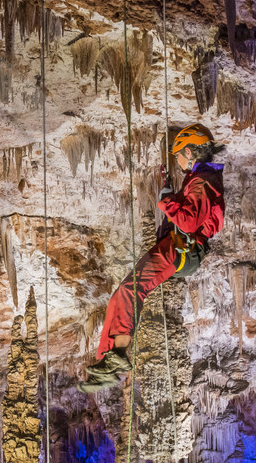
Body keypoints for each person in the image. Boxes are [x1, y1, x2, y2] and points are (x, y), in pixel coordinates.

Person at [80, 123, 225, 392]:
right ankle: (106, 358)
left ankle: (117, 357)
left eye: (179, 154)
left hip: (183, 248)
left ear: (191, 152)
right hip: (177, 245)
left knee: (130, 290)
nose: (178, 160)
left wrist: (167, 202)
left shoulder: (204, 181)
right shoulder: (199, 179)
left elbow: (190, 221)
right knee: (120, 295)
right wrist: (172, 196)